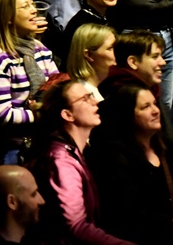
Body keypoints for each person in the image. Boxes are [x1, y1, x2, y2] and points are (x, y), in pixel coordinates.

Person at [32, 79, 128, 245]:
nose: (95, 102)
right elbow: (76, 227)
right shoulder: (61, 161)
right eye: (86, 98)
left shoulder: (81, 151)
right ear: (68, 115)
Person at [86, 84, 173, 245]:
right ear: (128, 115)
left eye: (154, 104)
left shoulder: (167, 149)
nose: (156, 111)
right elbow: (126, 218)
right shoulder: (113, 159)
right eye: (145, 107)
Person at [0, 0, 57, 160]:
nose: (34, 10)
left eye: (32, 4)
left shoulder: (40, 49)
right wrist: (40, 113)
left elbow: (58, 88)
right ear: (8, 17)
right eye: (25, 6)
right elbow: (3, 114)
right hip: (14, 147)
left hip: (45, 139)